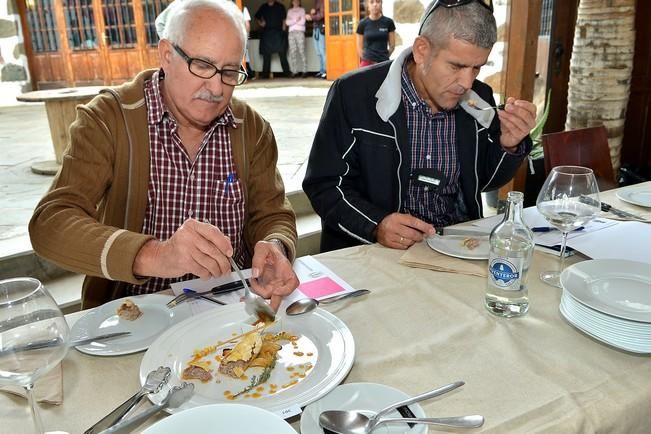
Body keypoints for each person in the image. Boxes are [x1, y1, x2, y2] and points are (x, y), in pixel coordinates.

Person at [29, 0, 299, 311]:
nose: (215, 87)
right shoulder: (109, 119)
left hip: (231, 311)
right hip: (134, 314)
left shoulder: (251, 129)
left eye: (229, 71)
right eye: (201, 64)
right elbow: (49, 223)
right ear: (167, 55)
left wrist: (276, 245)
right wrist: (156, 255)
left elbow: (273, 214)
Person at [302, 0, 537, 252]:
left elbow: (484, 181)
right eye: (456, 66)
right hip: (373, 251)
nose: (467, 83)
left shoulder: (478, 99)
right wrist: (375, 224)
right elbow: (324, 185)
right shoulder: (353, 93)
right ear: (422, 50)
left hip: (455, 247)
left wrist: (507, 146)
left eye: (476, 68)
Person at [255, 0, 291, 79]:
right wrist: (261, 23)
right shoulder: (263, 7)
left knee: (282, 54)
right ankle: (265, 75)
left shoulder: (280, 6)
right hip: (267, 33)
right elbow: (256, 17)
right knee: (266, 55)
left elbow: (284, 19)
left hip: (278, 32)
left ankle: (287, 73)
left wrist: (284, 30)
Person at [356, 0, 395, 67]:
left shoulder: (389, 22)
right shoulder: (362, 24)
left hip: (384, 62)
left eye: (378, 1)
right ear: (368, 5)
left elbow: (392, 46)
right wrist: (367, 59)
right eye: (372, 2)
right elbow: (359, 47)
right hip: (367, 63)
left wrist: (383, 57)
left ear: (381, 4)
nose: (375, 4)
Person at [285, 0, 307, 77]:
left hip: (300, 32)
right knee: (292, 52)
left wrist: (292, 20)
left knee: (302, 51)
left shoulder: (302, 10)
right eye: (294, 0)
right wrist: (296, 20)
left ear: (299, 2)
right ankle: (294, 71)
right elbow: (287, 23)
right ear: (292, 2)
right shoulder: (289, 11)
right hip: (291, 33)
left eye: (297, 0)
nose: (296, 2)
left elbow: (302, 22)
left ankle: (304, 71)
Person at [305, 0, 326, 79]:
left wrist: (311, 16)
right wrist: (312, 13)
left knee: (322, 51)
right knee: (318, 51)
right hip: (316, 28)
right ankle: (322, 71)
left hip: (321, 28)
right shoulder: (317, 1)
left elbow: (322, 15)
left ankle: (325, 71)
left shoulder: (323, 1)